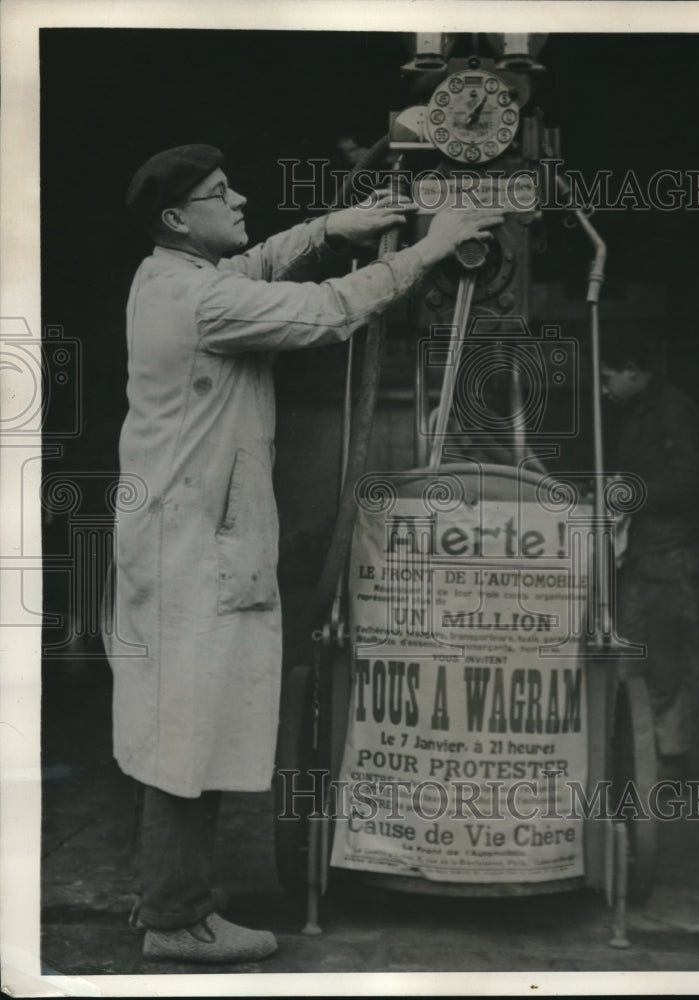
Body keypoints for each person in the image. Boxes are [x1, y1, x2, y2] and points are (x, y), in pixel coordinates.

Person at [105, 143, 505, 964]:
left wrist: (332, 224)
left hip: (179, 539)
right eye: (222, 193)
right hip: (195, 550)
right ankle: (174, 918)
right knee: (185, 740)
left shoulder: (166, 276)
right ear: (180, 219)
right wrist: (432, 247)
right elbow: (328, 312)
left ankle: (170, 897)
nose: (242, 198)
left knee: (183, 731)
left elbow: (254, 260)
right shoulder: (199, 302)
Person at [600, 330, 699, 782]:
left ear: (632, 371)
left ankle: (671, 759)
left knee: (670, 659)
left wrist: (630, 494)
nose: (606, 390)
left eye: (609, 379)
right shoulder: (639, 411)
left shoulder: (674, 411)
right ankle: (641, 758)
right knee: (633, 654)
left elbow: (689, 483)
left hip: (670, 555)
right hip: (643, 556)